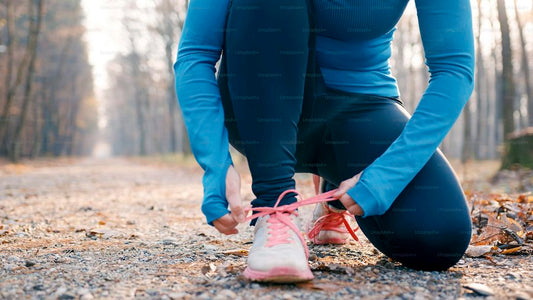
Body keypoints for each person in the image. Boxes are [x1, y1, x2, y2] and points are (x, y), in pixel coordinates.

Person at [174, 0, 475, 283]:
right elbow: (196, 55)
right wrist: (216, 164)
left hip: (359, 107)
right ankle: (275, 207)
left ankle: (333, 190)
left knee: (440, 235)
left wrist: (386, 175)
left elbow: (454, 69)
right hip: (260, 106)